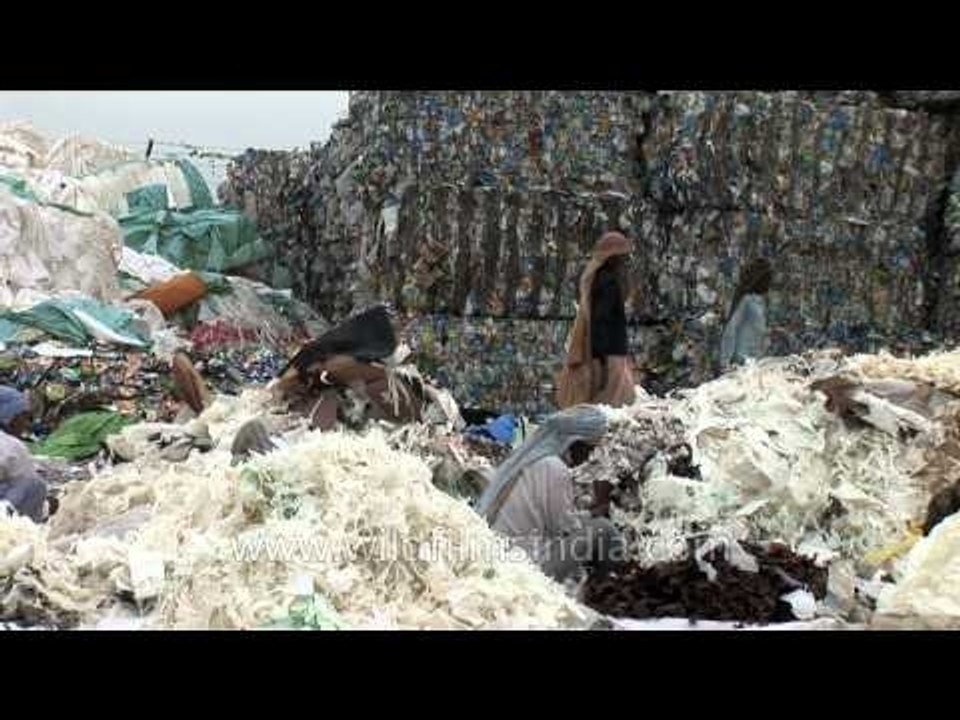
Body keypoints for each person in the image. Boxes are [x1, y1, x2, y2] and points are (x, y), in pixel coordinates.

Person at [475, 405, 623, 582]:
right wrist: (593, 514)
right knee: (604, 528)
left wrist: (586, 514)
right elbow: (563, 528)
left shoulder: (534, 459)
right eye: (590, 449)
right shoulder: (554, 467)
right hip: (525, 566)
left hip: (500, 550)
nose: (589, 456)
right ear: (575, 442)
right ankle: (608, 584)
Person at [556, 231, 636, 409]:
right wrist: (601, 360)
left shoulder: (598, 280)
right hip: (609, 355)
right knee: (613, 404)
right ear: (612, 258)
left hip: (605, 354)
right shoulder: (608, 283)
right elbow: (601, 321)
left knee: (612, 403)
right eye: (622, 258)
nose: (625, 263)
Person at [0, 386, 47, 523]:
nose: (26, 424)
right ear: (9, 417)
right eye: (24, 417)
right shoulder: (12, 446)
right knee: (35, 486)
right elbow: (26, 485)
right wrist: (47, 506)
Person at [720, 258, 772, 371]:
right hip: (741, 359)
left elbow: (758, 328)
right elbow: (731, 328)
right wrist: (725, 361)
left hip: (755, 358)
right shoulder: (746, 301)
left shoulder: (760, 301)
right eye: (768, 278)